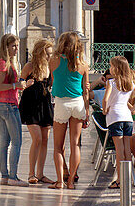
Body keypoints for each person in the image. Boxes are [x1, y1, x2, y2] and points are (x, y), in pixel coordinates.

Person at [49, 30, 90, 189]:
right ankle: (71, 181)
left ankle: (60, 181)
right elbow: (85, 89)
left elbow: (54, 80)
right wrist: (87, 111)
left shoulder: (54, 60)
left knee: (58, 146)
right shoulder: (83, 64)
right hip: (78, 103)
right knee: (75, 145)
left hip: (61, 103)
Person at [102, 56, 135, 188]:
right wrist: (133, 110)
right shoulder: (129, 83)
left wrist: (104, 110)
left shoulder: (112, 83)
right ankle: (128, 177)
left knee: (119, 150)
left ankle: (120, 179)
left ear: (116, 68)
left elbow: (105, 99)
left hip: (115, 117)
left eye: (111, 66)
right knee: (127, 149)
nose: (110, 68)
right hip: (127, 118)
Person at [0, 33, 27, 186]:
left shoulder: (7, 63)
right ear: (6, 47)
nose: (16, 49)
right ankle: (13, 176)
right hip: (8, 105)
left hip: (2, 104)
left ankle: (4, 176)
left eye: (17, 45)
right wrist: (16, 86)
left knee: (4, 142)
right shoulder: (3, 64)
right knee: (16, 142)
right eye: (13, 46)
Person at [19, 38, 54, 184]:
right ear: (40, 53)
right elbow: (20, 83)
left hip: (44, 104)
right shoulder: (29, 66)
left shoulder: (50, 67)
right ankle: (31, 173)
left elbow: (53, 83)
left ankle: (40, 174)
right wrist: (25, 84)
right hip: (30, 105)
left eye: (51, 54)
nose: (49, 57)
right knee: (37, 138)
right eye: (47, 54)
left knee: (45, 139)